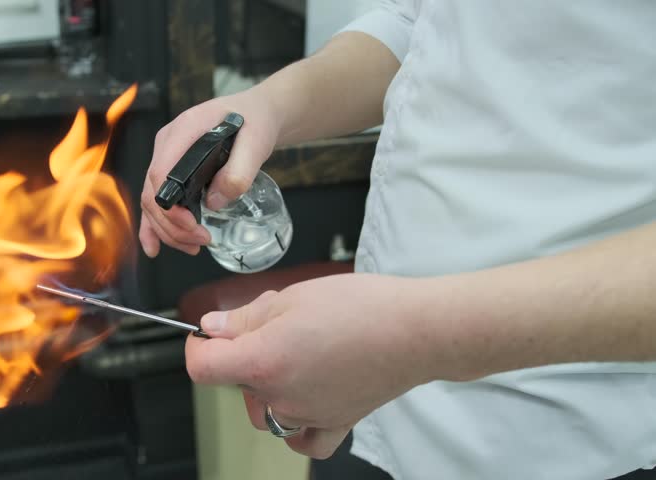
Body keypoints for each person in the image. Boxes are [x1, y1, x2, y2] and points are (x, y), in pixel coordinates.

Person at [139, 2, 656, 479]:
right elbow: (420, 24)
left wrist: (408, 338)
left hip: (565, 435)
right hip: (366, 408)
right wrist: (269, 105)